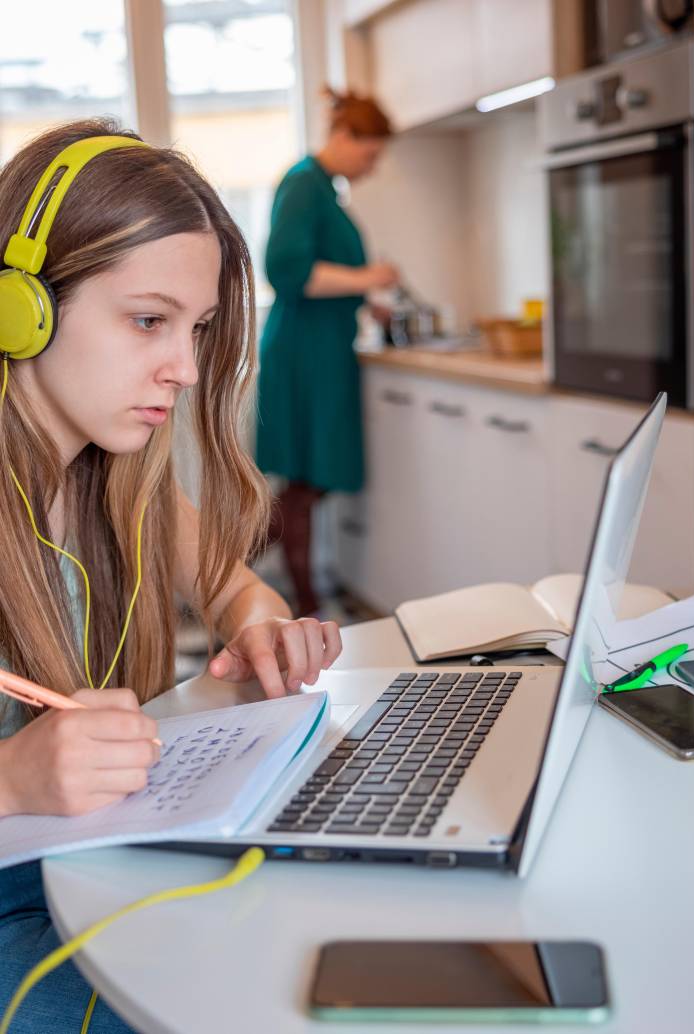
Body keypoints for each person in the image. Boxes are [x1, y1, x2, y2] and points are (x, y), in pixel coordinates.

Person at [0, 119, 343, 1032]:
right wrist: (9, 781)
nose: (187, 369)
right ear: (20, 306)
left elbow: (231, 585)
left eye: (194, 329)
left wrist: (259, 623)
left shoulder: (120, 479)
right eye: (149, 321)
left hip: (93, 864)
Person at [256, 88, 398, 618]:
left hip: (321, 349)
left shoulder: (323, 190)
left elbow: (323, 272)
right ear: (344, 136)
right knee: (304, 483)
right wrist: (370, 277)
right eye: (370, 153)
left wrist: (368, 300)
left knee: (306, 484)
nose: (372, 165)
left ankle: (226, 575)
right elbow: (289, 271)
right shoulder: (302, 185)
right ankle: (296, 602)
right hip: (303, 355)